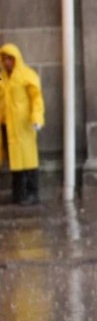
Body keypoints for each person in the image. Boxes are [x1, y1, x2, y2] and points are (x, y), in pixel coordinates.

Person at [0, 43, 45, 206]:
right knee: (15, 162)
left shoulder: (27, 75)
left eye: (9, 59)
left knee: (28, 160)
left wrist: (37, 118)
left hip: (24, 126)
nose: (6, 63)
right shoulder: (2, 79)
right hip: (8, 127)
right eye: (4, 59)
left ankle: (32, 193)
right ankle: (18, 194)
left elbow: (36, 99)